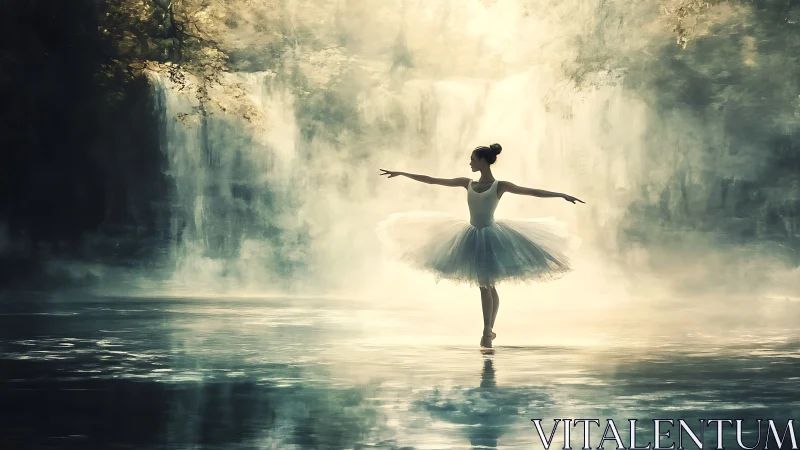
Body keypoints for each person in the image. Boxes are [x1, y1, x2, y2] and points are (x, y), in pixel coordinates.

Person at [378, 143, 584, 348]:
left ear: (483, 161)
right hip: (471, 236)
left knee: (485, 285)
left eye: (473, 160)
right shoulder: (466, 183)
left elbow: (531, 192)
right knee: (487, 285)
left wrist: (561, 195)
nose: (470, 163)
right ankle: (489, 331)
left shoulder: (500, 185)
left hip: (491, 236)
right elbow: (432, 180)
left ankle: (487, 331)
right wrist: (402, 173)